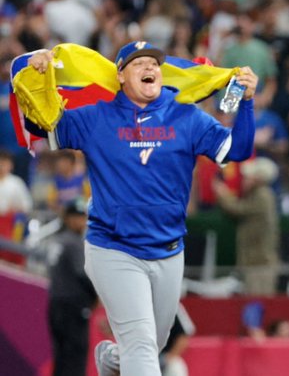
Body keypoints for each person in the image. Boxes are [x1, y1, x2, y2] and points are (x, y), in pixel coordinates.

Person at [25, 41, 258, 375]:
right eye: (138, 64)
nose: (149, 68)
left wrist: (247, 103)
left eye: (154, 63)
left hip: (168, 251)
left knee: (151, 344)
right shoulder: (97, 117)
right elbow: (43, 127)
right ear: (119, 75)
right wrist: (38, 76)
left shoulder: (186, 116)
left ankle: (111, 360)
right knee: (142, 344)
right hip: (114, 249)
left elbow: (237, 150)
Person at [214, 157, 281, 295]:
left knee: (257, 304)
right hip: (256, 262)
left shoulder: (262, 195)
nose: (244, 180)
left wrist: (223, 194)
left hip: (259, 264)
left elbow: (238, 209)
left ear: (258, 179)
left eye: (248, 177)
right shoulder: (260, 194)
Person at [46, 198, 97, 376]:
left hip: (55, 304)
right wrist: (96, 296)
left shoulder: (56, 240)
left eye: (83, 217)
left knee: (61, 359)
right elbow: (82, 274)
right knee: (75, 359)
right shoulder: (74, 242)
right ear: (67, 218)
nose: (81, 221)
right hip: (73, 307)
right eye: (76, 216)